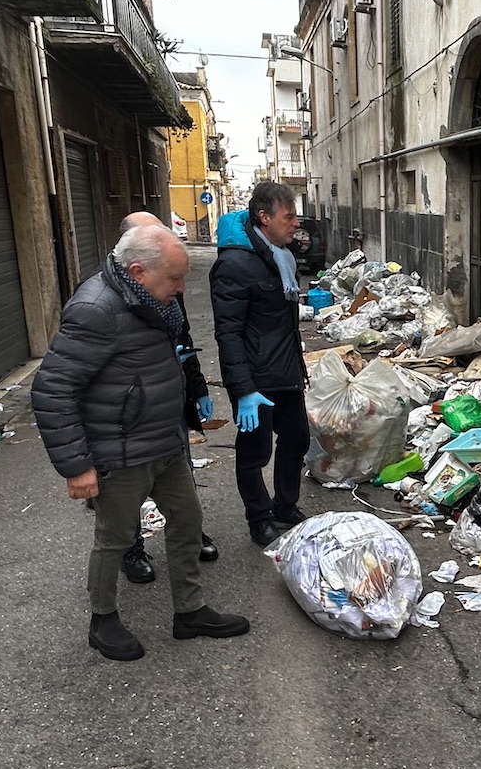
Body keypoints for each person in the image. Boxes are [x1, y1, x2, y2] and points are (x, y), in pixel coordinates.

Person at [32, 224, 249, 660]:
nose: (181, 288)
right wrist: (76, 466)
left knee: (187, 523)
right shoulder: (96, 309)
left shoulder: (152, 301)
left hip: (164, 443)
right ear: (137, 270)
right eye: (174, 278)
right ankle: (103, 620)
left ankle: (189, 611)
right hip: (120, 450)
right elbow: (52, 389)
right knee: (114, 540)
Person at [115, 211, 218, 586]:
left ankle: (189, 534)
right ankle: (130, 547)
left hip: (171, 402)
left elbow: (182, 338)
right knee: (126, 490)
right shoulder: (103, 298)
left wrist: (197, 387)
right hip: (129, 414)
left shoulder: (165, 283)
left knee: (180, 477)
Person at [211, 181, 308, 546]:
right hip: (255, 379)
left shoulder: (281, 256)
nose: (295, 223)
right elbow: (229, 333)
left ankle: (285, 505)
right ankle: (259, 517)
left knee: (297, 438)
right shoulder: (234, 264)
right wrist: (244, 389)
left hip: (285, 373)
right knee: (255, 452)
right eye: (289, 216)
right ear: (263, 217)